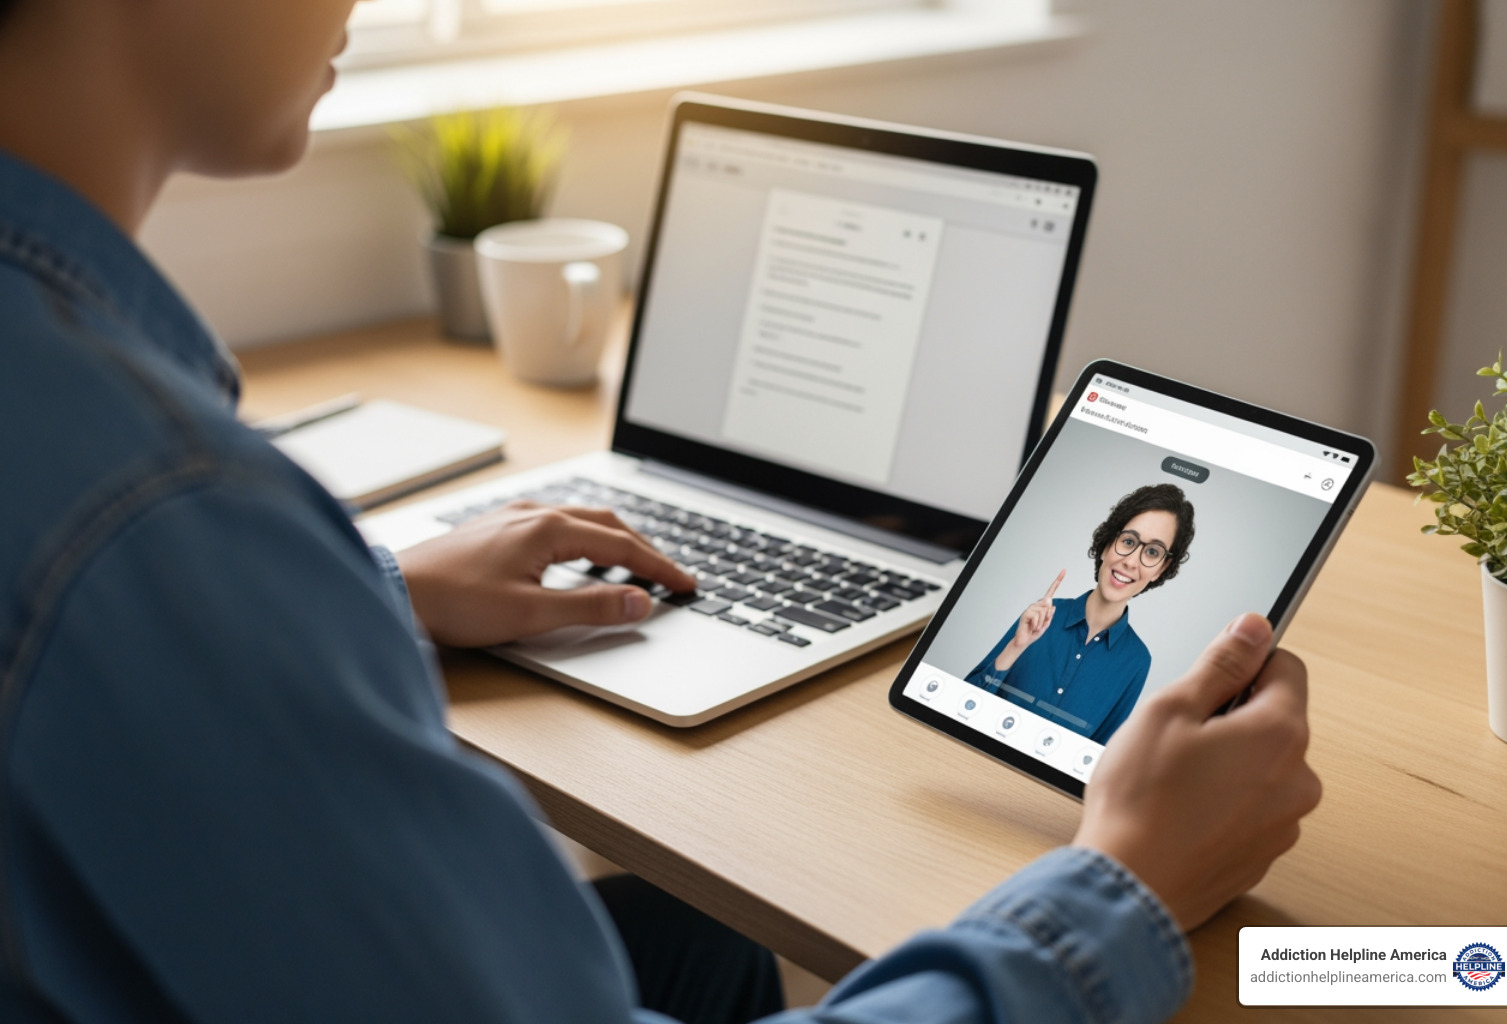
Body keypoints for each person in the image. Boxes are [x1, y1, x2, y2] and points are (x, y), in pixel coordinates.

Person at [0, 2, 1323, 1022]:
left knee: (701, 944)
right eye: (1132, 540)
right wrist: (1122, 890)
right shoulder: (163, 509)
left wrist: (363, 596)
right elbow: (129, 574)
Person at [966, 484, 1195, 743]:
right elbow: (962, 704)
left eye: (1152, 552)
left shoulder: (1137, 661)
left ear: (1161, 569)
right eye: (1128, 541)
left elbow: (1098, 757)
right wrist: (1015, 648)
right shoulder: (1040, 617)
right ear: (1109, 544)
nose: (1131, 561)